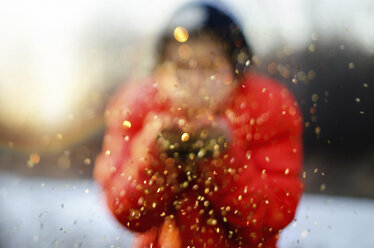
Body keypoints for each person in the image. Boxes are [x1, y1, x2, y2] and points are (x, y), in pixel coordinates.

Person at [94, 1, 304, 247]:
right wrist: (157, 156)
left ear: (236, 69)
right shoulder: (137, 107)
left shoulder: (267, 108)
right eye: (181, 66)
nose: (195, 81)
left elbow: (271, 215)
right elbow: (126, 211)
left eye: (210, 66)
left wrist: (222, 158)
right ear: (160, 71)